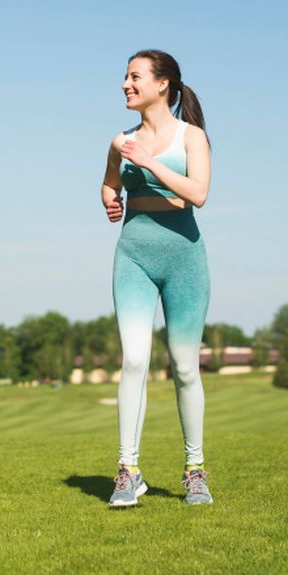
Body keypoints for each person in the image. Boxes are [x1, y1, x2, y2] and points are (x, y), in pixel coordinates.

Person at [100, 49, 212, 507]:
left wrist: (149, 163)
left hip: (184, 261)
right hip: (134, 260)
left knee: (185, 368)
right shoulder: (119, 140)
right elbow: (110, 182)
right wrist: (109, 199)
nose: (125, 84)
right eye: (125, 77)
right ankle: (127, 470)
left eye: (135, 76)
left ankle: (194, 470)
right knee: (133, 361)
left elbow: (198, 194)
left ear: (162, 84)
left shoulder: (192, 137)